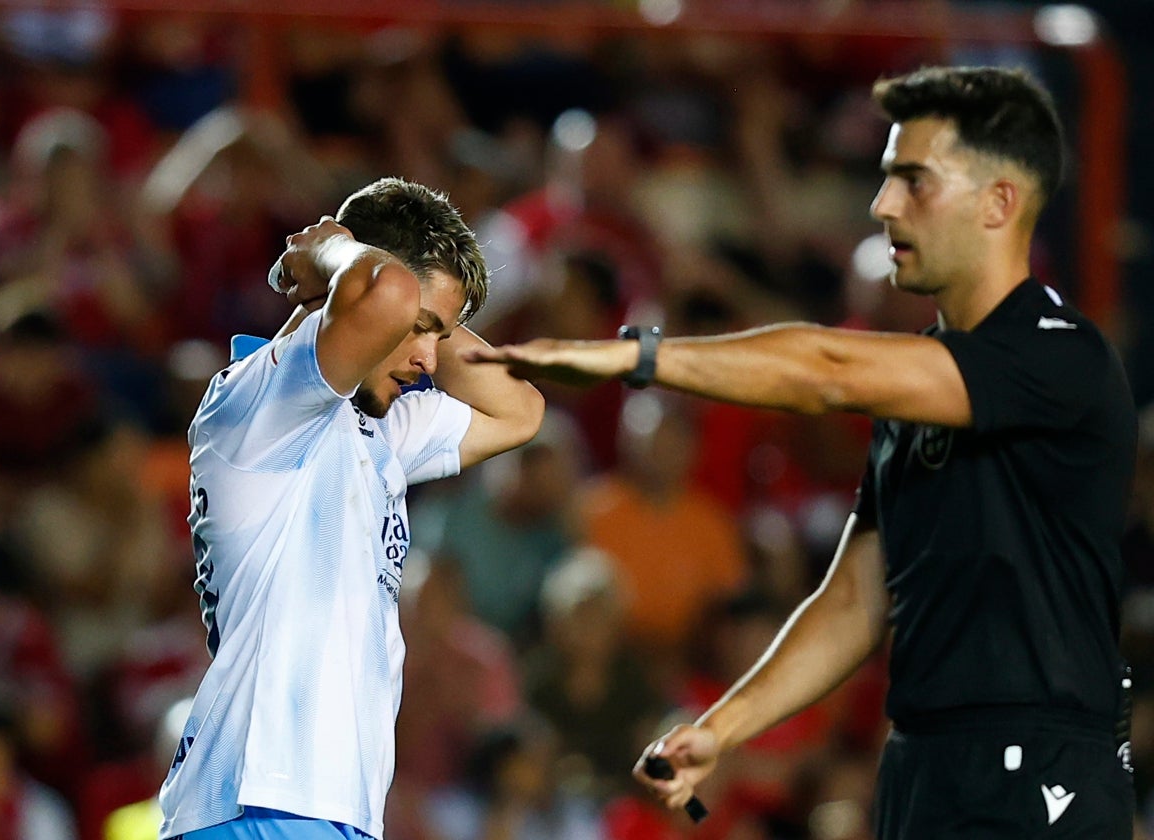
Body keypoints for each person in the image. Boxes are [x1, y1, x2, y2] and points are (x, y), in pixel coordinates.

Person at [466, 66, 1138, 838]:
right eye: (885, 180)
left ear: (1000, 202)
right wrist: (723, 726)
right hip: (925, 767)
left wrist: (639, 359)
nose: (882, 206)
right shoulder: (918, 387)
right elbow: (855, 599)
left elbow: (827, 371)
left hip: (1043, 774)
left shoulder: (1063, 357)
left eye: (913, 182)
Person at [158, 176, 545, 840]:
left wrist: (425, 314)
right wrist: (331, 256)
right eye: (419, 330)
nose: (430, 359)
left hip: (326, 810)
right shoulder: (261, 406)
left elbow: (519, 411)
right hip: (259, 803)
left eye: (440, 336)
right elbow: (385, 293)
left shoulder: (378, 428)